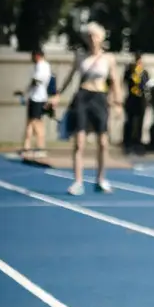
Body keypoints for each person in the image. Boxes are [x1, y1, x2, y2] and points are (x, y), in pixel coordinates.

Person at [56, 22, 122, 195]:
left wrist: (118, 103)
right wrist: (57, 95)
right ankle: (78, 181)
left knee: (103, 142)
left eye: (95, 36)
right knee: (79, 142)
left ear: (101, 38)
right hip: (82, 97)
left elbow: (115, 81)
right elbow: (70, 78)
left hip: (100, 98)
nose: (92, 39)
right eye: (89, 36)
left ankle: (100, 179)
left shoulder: (109, 58)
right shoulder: (80, 57)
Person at [18, 48, 55, 159]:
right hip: (34, 96)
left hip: (38, 97)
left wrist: (26, 90)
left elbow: (36, 80)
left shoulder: (42, 65)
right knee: (29, 122)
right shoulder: (42, 66)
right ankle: (26, 147)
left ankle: (41, 147)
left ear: (37, 56)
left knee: (36, 122)